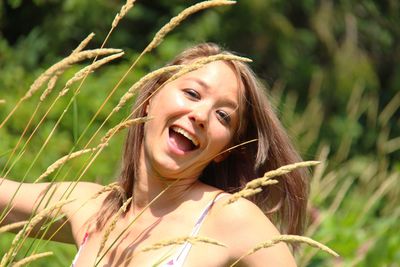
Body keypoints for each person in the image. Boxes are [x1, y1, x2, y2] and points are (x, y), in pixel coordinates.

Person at [0, 43, 308, 266]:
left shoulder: (230, 218)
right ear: (150, 98)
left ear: (223, 151)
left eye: (223, 116)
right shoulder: (91, 208)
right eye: (192, 93)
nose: (200, 114)